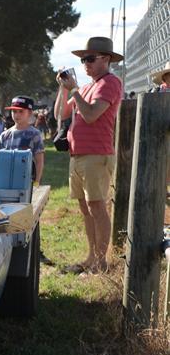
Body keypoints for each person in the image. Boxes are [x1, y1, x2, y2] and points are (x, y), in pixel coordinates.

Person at [54, 36, 124, 275]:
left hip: (96, 154)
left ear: (106, 59)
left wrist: (73, 89)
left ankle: (101, 262)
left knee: (97, 206)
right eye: (84, 59)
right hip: (79, 155)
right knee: (86, 208)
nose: (85, 63)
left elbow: (92, 114)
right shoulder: (85, 87)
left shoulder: (110, 83)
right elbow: (60, 114)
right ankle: (92, 257)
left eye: (90, 58)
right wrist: (63, 89)